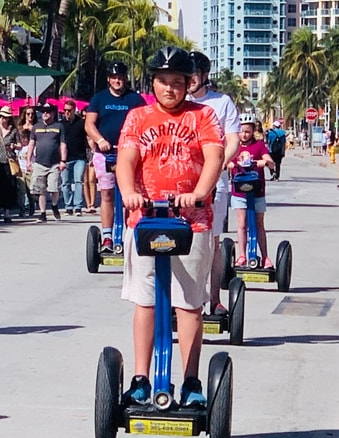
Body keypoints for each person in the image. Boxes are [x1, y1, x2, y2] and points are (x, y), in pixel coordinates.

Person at [116, 46, 224, 408]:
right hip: (145, 219)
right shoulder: (137, 117)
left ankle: (191, 381)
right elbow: (127, 158)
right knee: (146, 302)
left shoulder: (204, 116)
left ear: (188, 84)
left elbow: (214, 157)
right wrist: (130, 192)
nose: (169, 89)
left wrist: (200, 192)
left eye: (177, 82)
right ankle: (141, 379)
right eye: (162, 82)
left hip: (191, 222)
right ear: (153, 83)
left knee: (190, 304)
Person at [184, 50, 240, 316]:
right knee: (179, 240)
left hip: (215, 182)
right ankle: (182, 300)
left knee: (212, 241)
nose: (190, 80)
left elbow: (233, 141)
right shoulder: (178, 102)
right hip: (181, 182)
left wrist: (215, 168)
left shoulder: (221, 102)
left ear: (204, 76)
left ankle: (214, 298)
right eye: (188, 74)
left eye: (194, 74)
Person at [85, 61, 148, 248]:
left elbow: (145, 122)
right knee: (107, 195)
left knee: (130, 196)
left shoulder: (135, 99)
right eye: (114, 78)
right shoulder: (99, 98)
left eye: (120, 77)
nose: (117, 80)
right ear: (108, 80)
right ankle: (107, 237)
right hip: (106, 154)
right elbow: (89, 125)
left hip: (130, 154)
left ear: (125, 78)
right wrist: (100, 140)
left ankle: (130, 233)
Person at [229, 115, 275, 268]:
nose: (244, 135)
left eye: (247, 132)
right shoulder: (234, 146)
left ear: (253, 131)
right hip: (239, 192)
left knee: (258, 223)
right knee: (242, 224)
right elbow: (223, 159)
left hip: (257, 191)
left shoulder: (259, 145)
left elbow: (270, 161)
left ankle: (265, 257)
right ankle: (242, 255)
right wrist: (228, 164)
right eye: (241, 131)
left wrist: (266, 162)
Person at [26, 103, 66, 222]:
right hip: (39, 163)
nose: (45, 114)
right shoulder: (36, 127)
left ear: (53, 113)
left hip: (54, 163)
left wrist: (63, 160)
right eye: (43, 111)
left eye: (48, 111)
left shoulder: (59, 126)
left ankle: (54, 205)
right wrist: (28, 160)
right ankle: (43, 213)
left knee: (54, 188)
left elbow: (63, 144)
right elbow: (31, 144)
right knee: (40, 189)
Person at [60, 100, 89, 215]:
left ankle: (78, 206)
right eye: (65, 110)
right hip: (65, 158)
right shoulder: (61, 124)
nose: (67, 113)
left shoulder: (81, 123)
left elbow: (88, 137)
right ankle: (68, 206)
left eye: (69, 110)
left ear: (74, 110)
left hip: (79, 157)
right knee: (65, 182)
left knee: (78, 181)